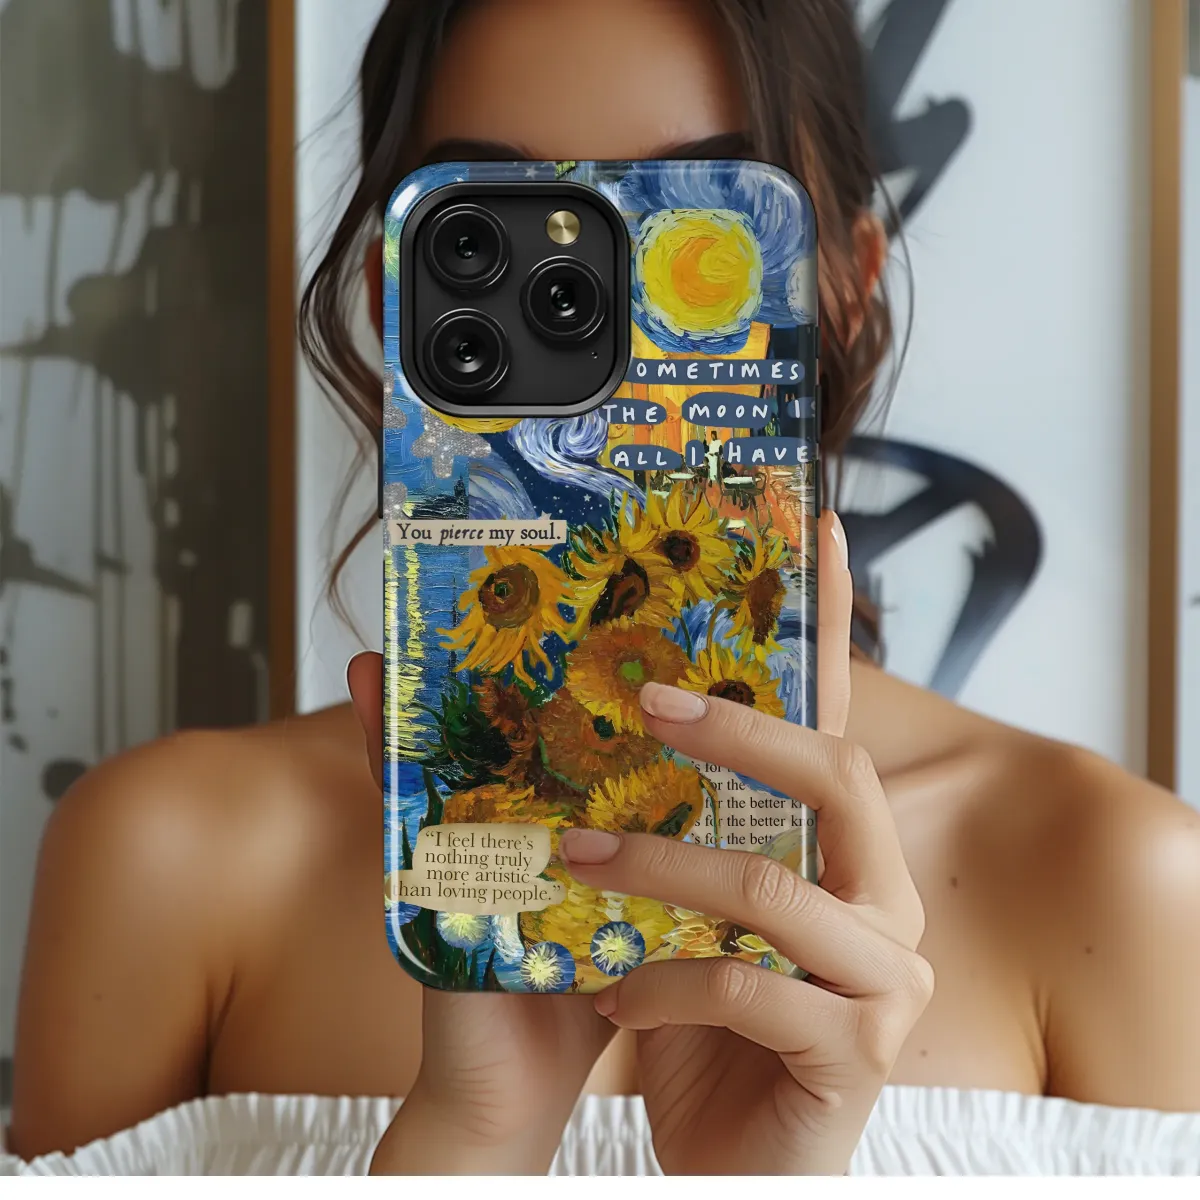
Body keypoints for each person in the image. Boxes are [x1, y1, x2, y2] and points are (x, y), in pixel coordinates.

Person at [7, 0, 1200, 1177]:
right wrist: (474, 1141)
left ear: (847, 285)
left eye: (700, 224)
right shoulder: (170, 862)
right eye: (490, 232)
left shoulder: (1115, 882)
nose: (604, 309)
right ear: (393, 296)